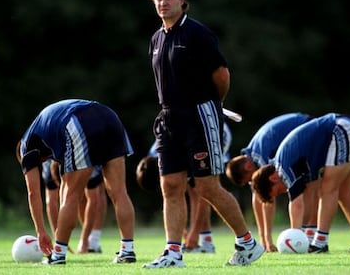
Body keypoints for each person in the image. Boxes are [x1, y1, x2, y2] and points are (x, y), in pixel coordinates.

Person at [144, 0, 264, 268]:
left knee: (207, 186)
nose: (163, 3)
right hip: (168, 119)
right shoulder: (157, 38)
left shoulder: (197, 34)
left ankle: (248, 244)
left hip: (199, 115)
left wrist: (213, 105)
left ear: (182, 0)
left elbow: (221, 76)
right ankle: (173, 253)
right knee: (170, 186)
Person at [16, 99, 136, 265]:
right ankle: (127, 250)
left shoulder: (25, 148)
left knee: (70, 194)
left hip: (79, 121)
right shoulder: (45, 133)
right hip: (109, 115)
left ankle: (58, 255)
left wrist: (41, 231)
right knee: (120, 191)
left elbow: (33, 192)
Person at [251, 113, 350, 253]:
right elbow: (306, 196)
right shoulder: (287, 162)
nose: (285, 191)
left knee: (328, 189)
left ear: (272, 178)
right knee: (343, 191)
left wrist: (295, 237)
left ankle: (320, 243)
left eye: (279, 191)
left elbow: (296, 204)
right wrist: (304, 235)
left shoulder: (282, 168)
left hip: (341, 129)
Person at [225, 113, 317, 250]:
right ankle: (303, 234)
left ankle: (302, 235)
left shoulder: (261, 155)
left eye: (249, 179)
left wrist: (267, 239)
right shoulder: (253, 154)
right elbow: (258, 196)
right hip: (303, 126)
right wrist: (264, 238)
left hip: (309, 128)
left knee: (308, 186)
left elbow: (268, 198)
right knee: (307, 187)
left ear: (247, 167)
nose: (253, 182)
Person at [138, 122, 232, 253]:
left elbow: (203, 199)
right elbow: (169, 198)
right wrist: (181, 231)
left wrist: (193, 233)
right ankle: (205, 240)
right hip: (188, 139)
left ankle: (208, 242)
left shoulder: (170, 158)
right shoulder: (156, 158)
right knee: (182, 189)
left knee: (204, 188)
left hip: (213, 132)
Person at [42, 159, 107, 254]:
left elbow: (94, 201)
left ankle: (90, 240)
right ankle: (64, 243)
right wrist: (59, 239)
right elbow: (50, 202)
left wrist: (84, 240)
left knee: (88, 195)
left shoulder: (86, 160)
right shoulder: (49, 161)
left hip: (83, 154)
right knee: (74, 198)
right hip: (56, 155)